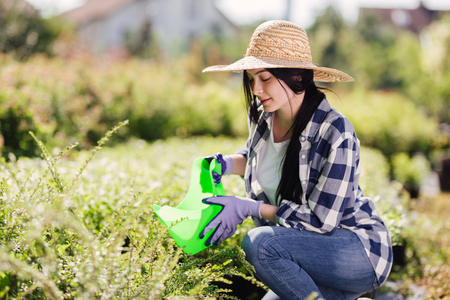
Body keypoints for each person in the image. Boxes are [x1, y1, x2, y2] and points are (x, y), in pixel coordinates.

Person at [199, 20, 393, 300]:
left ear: (298, 78)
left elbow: (321, 221)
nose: (256, 89)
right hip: (306, 249)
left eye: (264, 78)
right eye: (251, 79)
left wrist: (247, 208)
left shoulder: (335, 131)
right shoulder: (264, 113)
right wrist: (225, 164)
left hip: (356, 251)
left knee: (259, 245)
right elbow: (262, 159)